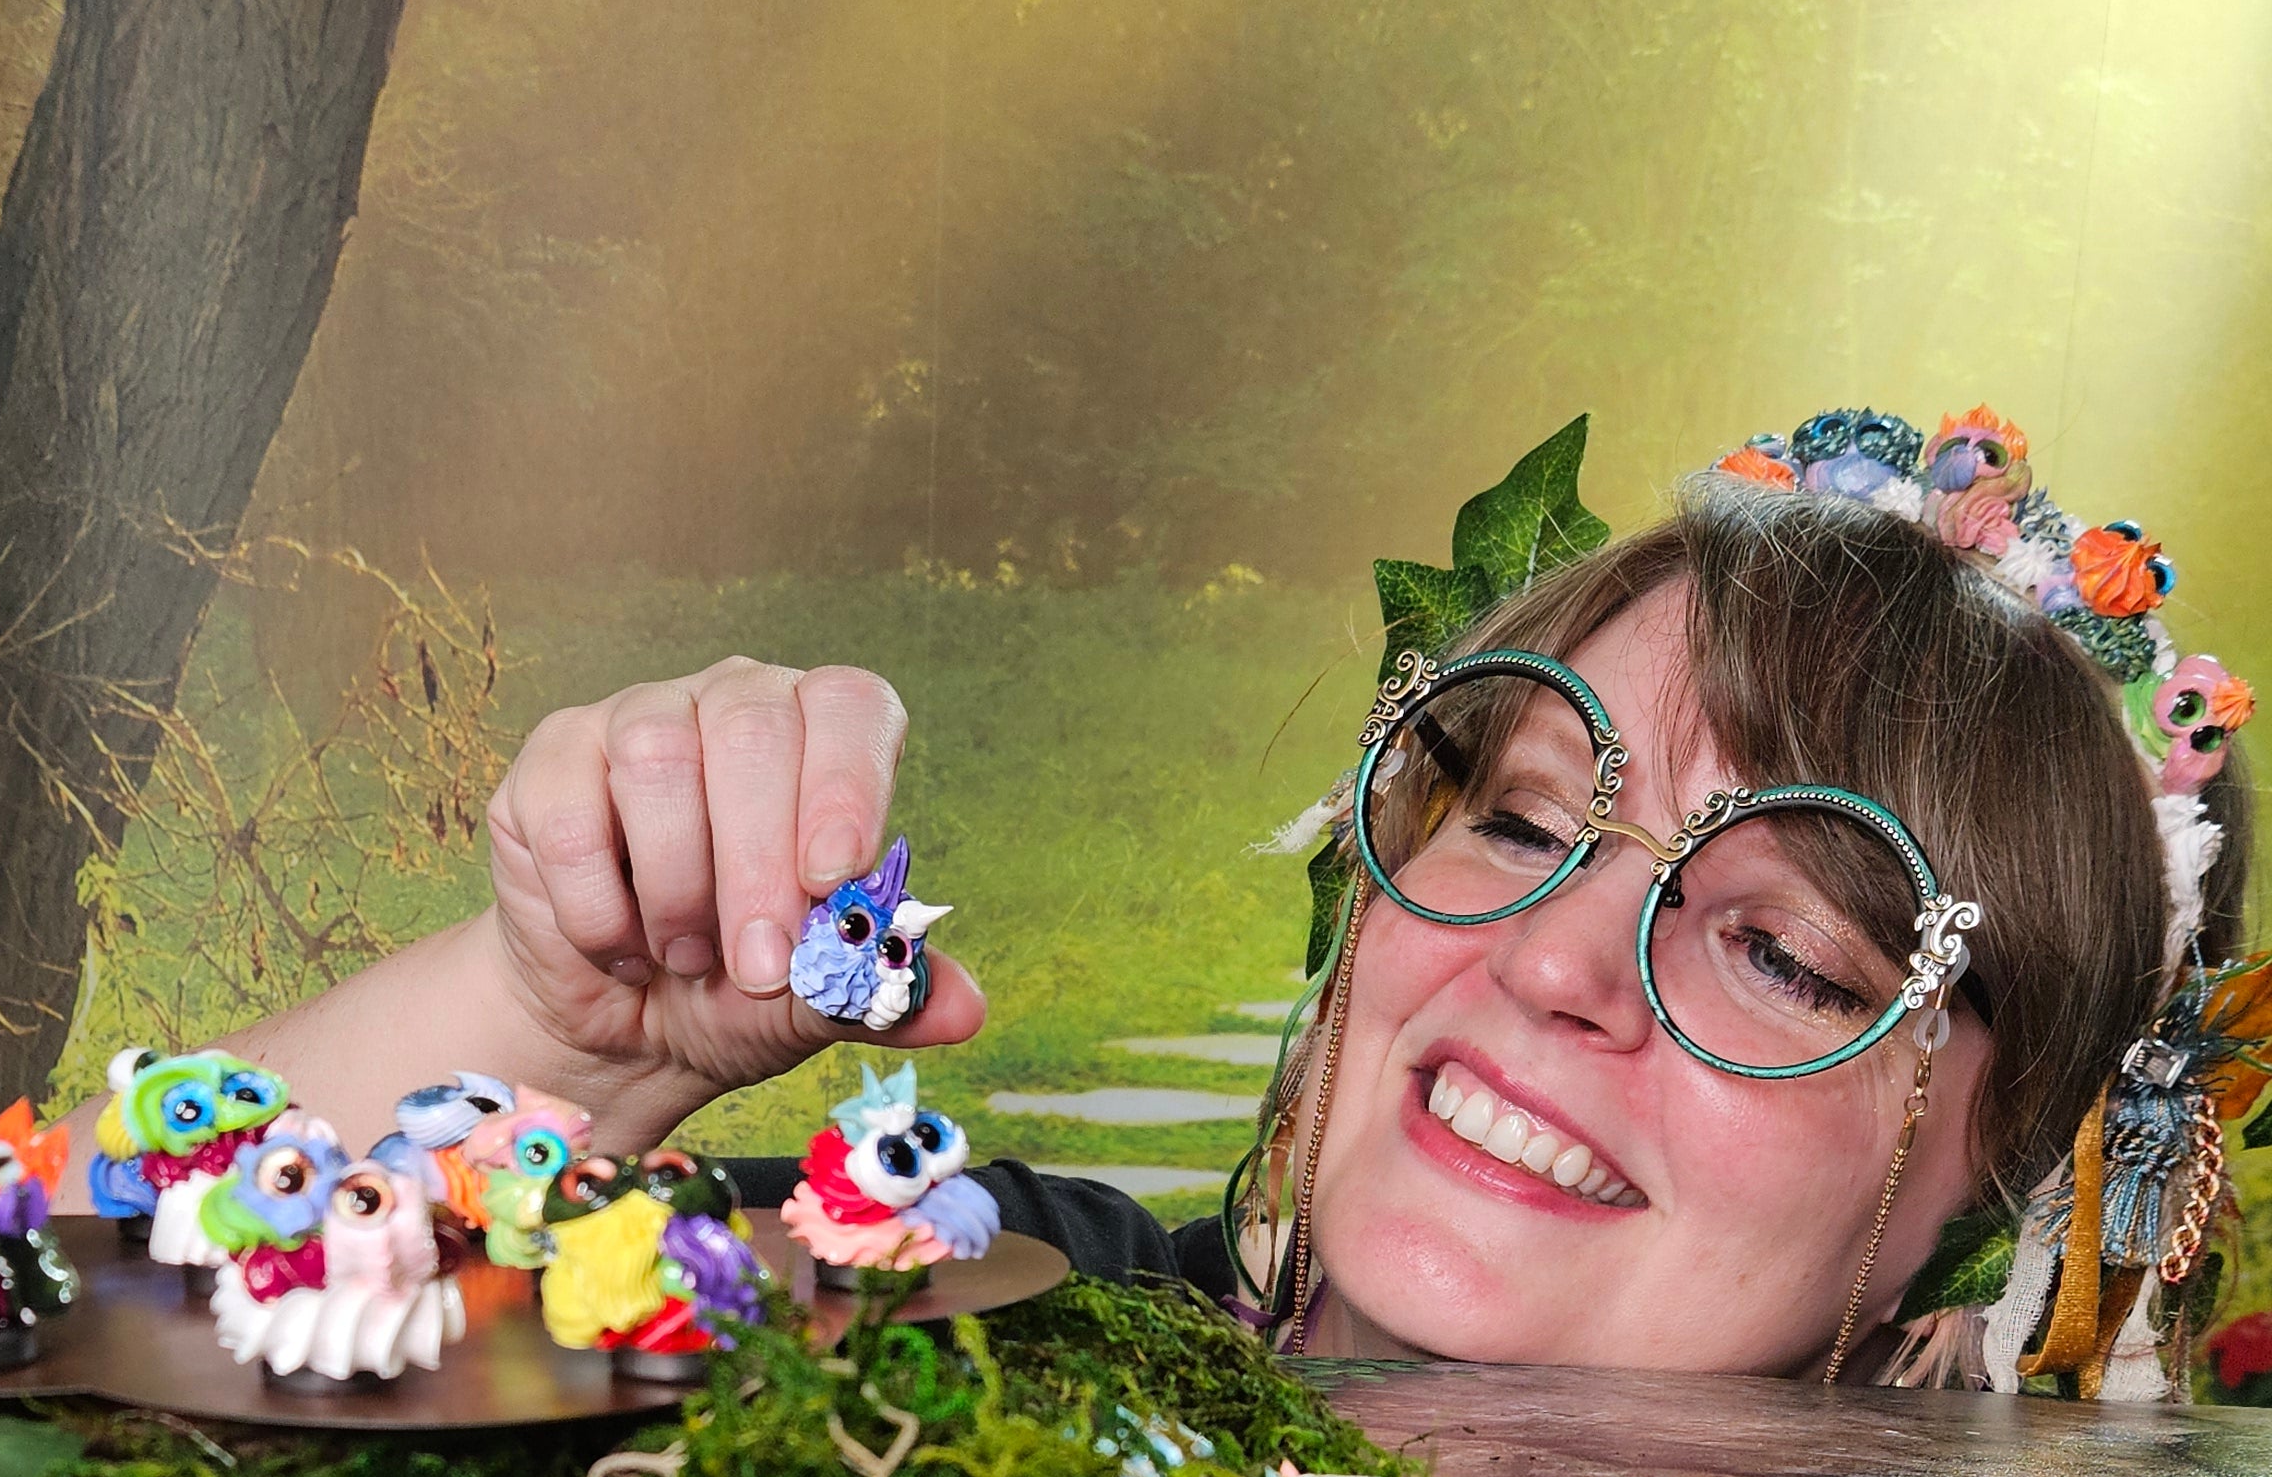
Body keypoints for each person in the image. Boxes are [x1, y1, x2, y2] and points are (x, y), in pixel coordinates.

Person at [174, 403, 2258, 1398]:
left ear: (1998, 1197)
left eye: (1779, 946)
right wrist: (557, 1031)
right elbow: (63, 1317)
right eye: (1525, 823)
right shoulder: (975, 1320)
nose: (1547, 965)